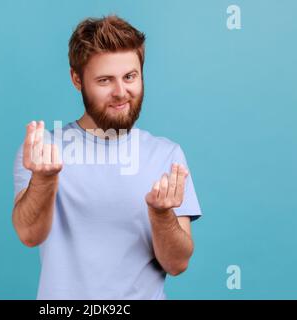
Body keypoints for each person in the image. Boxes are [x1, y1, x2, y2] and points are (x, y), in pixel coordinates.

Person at [12, 15, 202, 299]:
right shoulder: (44, 151)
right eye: (105, 80)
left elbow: (177, 264)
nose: (120, 92)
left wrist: (162, 215)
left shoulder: (166, 155)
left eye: (130, 77)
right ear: (77, 79)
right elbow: (29, 235)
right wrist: (43, 179)